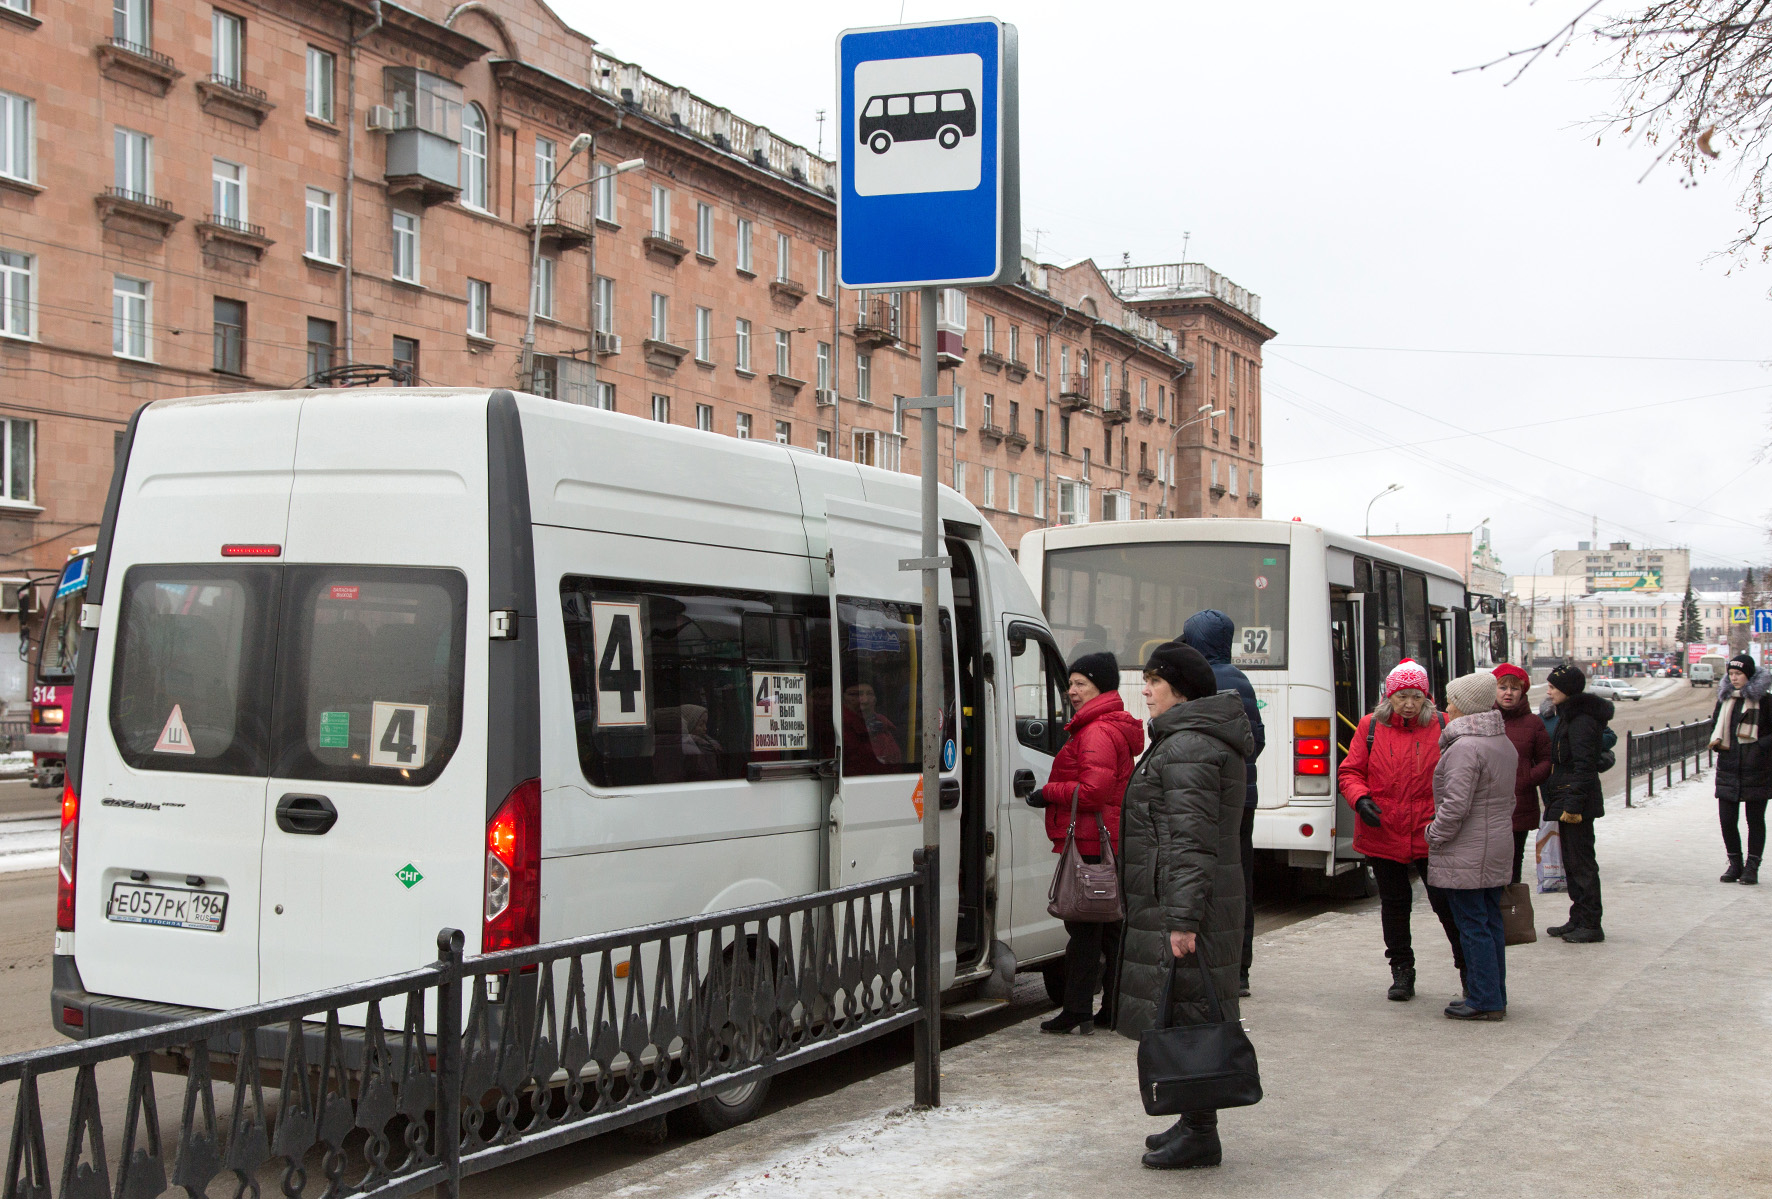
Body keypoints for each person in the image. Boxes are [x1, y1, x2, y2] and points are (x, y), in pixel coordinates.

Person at [1115, 641, 1253, 1171]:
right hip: (1180, 897)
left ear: (1181, 689)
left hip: (1186, 901)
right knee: (1181, 1011)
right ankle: (1192, 1116)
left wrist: (1182, 920)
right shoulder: (1184, 739)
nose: (1144, 690)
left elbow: (1191, 842)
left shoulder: (1190, 745)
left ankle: (1201, 1132)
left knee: (1192, 1012)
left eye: (1153, 681)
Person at [1026, 651, 1145, 1033]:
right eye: (1071, 683)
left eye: (1081, 684)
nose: (1072, 690)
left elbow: (1093, 791)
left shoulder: (1095, 730)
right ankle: (1111, 1009)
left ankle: (1077, 1009)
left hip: (1092, 842)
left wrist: (1048, 792)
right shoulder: (1105, 724)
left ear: (1101, 687)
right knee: (1108, 930)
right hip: (1104, 839)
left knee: (1084, 930)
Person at [1337, 659, 1465, 1001]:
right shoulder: (1370, 726)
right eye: (1402, 696)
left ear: (1427, 698)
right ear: (1388, 697)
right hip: (1384, 831)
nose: (1409, 704)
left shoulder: (1444, 725)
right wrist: (1360, 799)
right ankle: (1401, 971)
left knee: (1445, 905)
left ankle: (1468, 969)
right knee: (1394, 905)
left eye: (1416, 697)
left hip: (1431, 833)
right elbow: (1350, 772)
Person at [1181, 609, 1267, 997]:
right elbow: (1256, 741)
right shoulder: (1239, 679)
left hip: (1203, 795)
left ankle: (1203, 962)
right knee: (1239, 881)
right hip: (1241, 797)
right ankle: (1241, 969)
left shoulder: (1195, 678)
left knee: (1198, 878)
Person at [1425, 672, 1519, 1020]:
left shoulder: (1466, 747)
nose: (1445, 705)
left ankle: (1483, 999)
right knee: (1490, 922)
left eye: (1450, 699)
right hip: (1494, 844)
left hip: (1467, 850)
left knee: (1473, 925)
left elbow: (1455, 806)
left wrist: (1433, 833)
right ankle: (1495, 994)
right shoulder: (1500, 740)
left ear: (1463, 706)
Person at [1543, 664, 1613, 943]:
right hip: (1568, 796)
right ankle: (1578, 917)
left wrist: (1572, 805)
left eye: (1552, 687)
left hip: (1578, 802)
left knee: (1582, 863)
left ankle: (1591, 923)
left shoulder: (1581, 720)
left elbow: (1584, 766)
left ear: (1567, 690)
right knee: (1572, 862)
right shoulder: (1569, 714)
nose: (1548, 691)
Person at [1709, 653, 1770, 885]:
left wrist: (1759, 746)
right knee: (1727, 819)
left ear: (1749, 675)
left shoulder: (1765, 701)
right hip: (1728, 768)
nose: (1734, 678)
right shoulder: (1725, 700)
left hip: (1757, 770)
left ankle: (1752, 867)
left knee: (1754, 820)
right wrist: (1716, 743)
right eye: (1731, 674)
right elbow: (1715, 725)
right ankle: (1735, 864)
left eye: (1739, 674)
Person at [1493, 664, 1552, 884]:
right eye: (1503, 687)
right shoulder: (1482, 718)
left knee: (1513, 865)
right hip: (1487, 807)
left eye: (1514, 688)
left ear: (1523, 692)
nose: (1508, 693)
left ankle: (1511, 914)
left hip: (1520, 806)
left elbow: (1547, 760)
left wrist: (1527, 778)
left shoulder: (1533, 723)